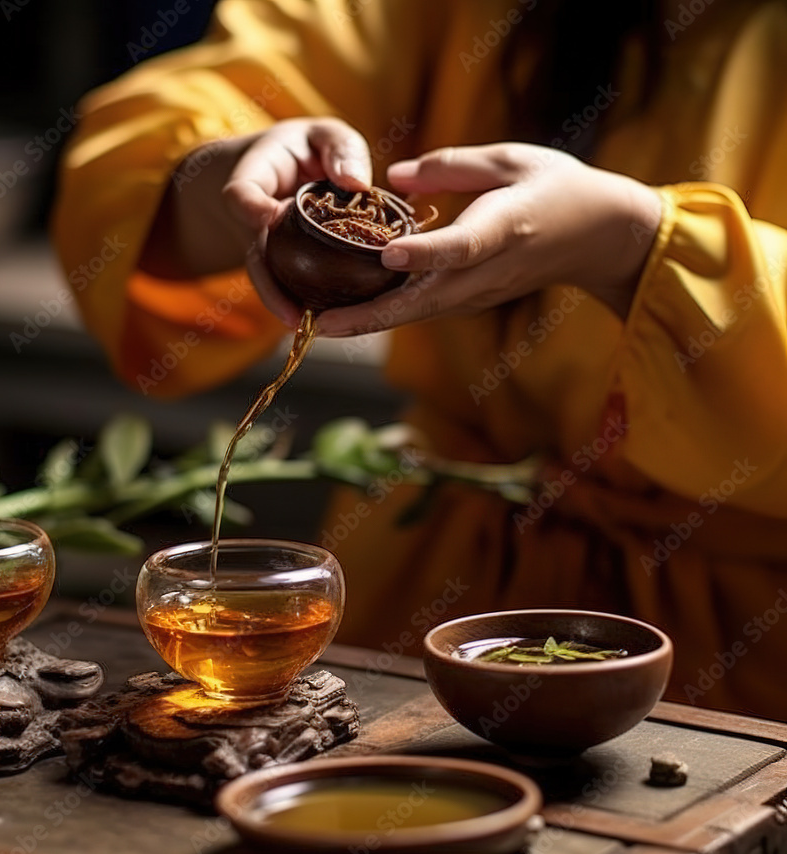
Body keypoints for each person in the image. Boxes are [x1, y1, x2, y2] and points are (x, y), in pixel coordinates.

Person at [52, 0, 787, 722]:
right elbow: (192, 111)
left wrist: (631, 243)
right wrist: (235, 182)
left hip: (747, 650)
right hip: (432, 589)